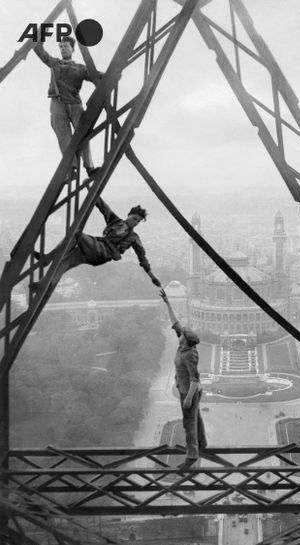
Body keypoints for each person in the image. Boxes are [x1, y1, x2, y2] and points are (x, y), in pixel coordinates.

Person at [31, 196, 161, 291]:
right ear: (128, 215)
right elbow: (104, 207)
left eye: (138, 221)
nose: (135, 223)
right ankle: (45, 284)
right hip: (94, 250)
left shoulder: (134, 237)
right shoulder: (115, 221)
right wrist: (91, 189)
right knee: (65, 261)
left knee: (76, 234)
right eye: (134, 219)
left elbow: (142, 257)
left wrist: (152, 276)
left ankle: (47, 259)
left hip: (103, 252)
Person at [34, 36, 102, 179]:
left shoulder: (81, 68)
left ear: (72, 49)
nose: (63, 49)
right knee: (64, 138)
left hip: (75, 105)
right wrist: (41, 36)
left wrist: (110, 75)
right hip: (58, 104)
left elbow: (97, 76)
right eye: (61, 47)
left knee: (84, 135)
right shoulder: (55, 63)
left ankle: (90, 168)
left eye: (65, 46)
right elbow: (39, 50)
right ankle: (71, 169)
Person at [160, 289, 207, 472]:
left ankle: (192, 455)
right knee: (196, 417)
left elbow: (195, 378)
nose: (179, 334)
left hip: (190, 392)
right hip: (185, 389)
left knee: (189, 423)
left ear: (186, 341)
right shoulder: (183, 343)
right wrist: (167, 302)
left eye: (182, 334)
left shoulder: (189, 354)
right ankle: (202, 443)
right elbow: (175, 321)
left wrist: (188, 398)